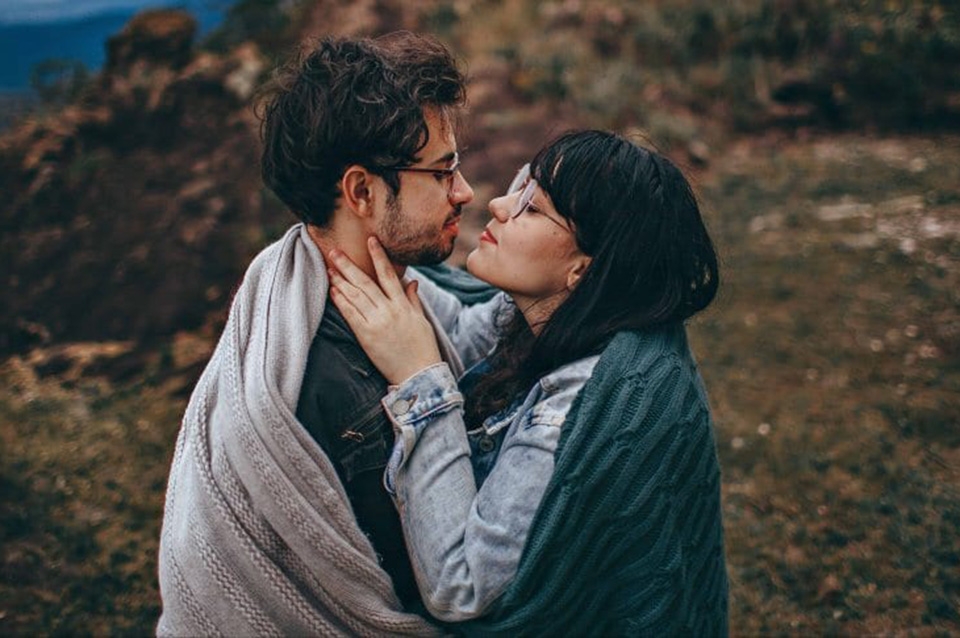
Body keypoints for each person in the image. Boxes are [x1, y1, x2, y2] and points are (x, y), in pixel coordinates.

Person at [327, 130, 730, 635]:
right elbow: (458, 331)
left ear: (582, 269)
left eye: (532, 208)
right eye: (518, 189)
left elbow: (461, 585)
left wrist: (419, 378)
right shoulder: (562, 315)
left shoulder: (576, 409)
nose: (498, 205)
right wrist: (351, 235)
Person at [157, 31, 492, 635]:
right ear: (361, 191)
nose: (464, 192)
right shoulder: (338, 388)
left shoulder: (309, 285)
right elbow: (442, 587)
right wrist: (423, 380)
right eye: (443, 172)